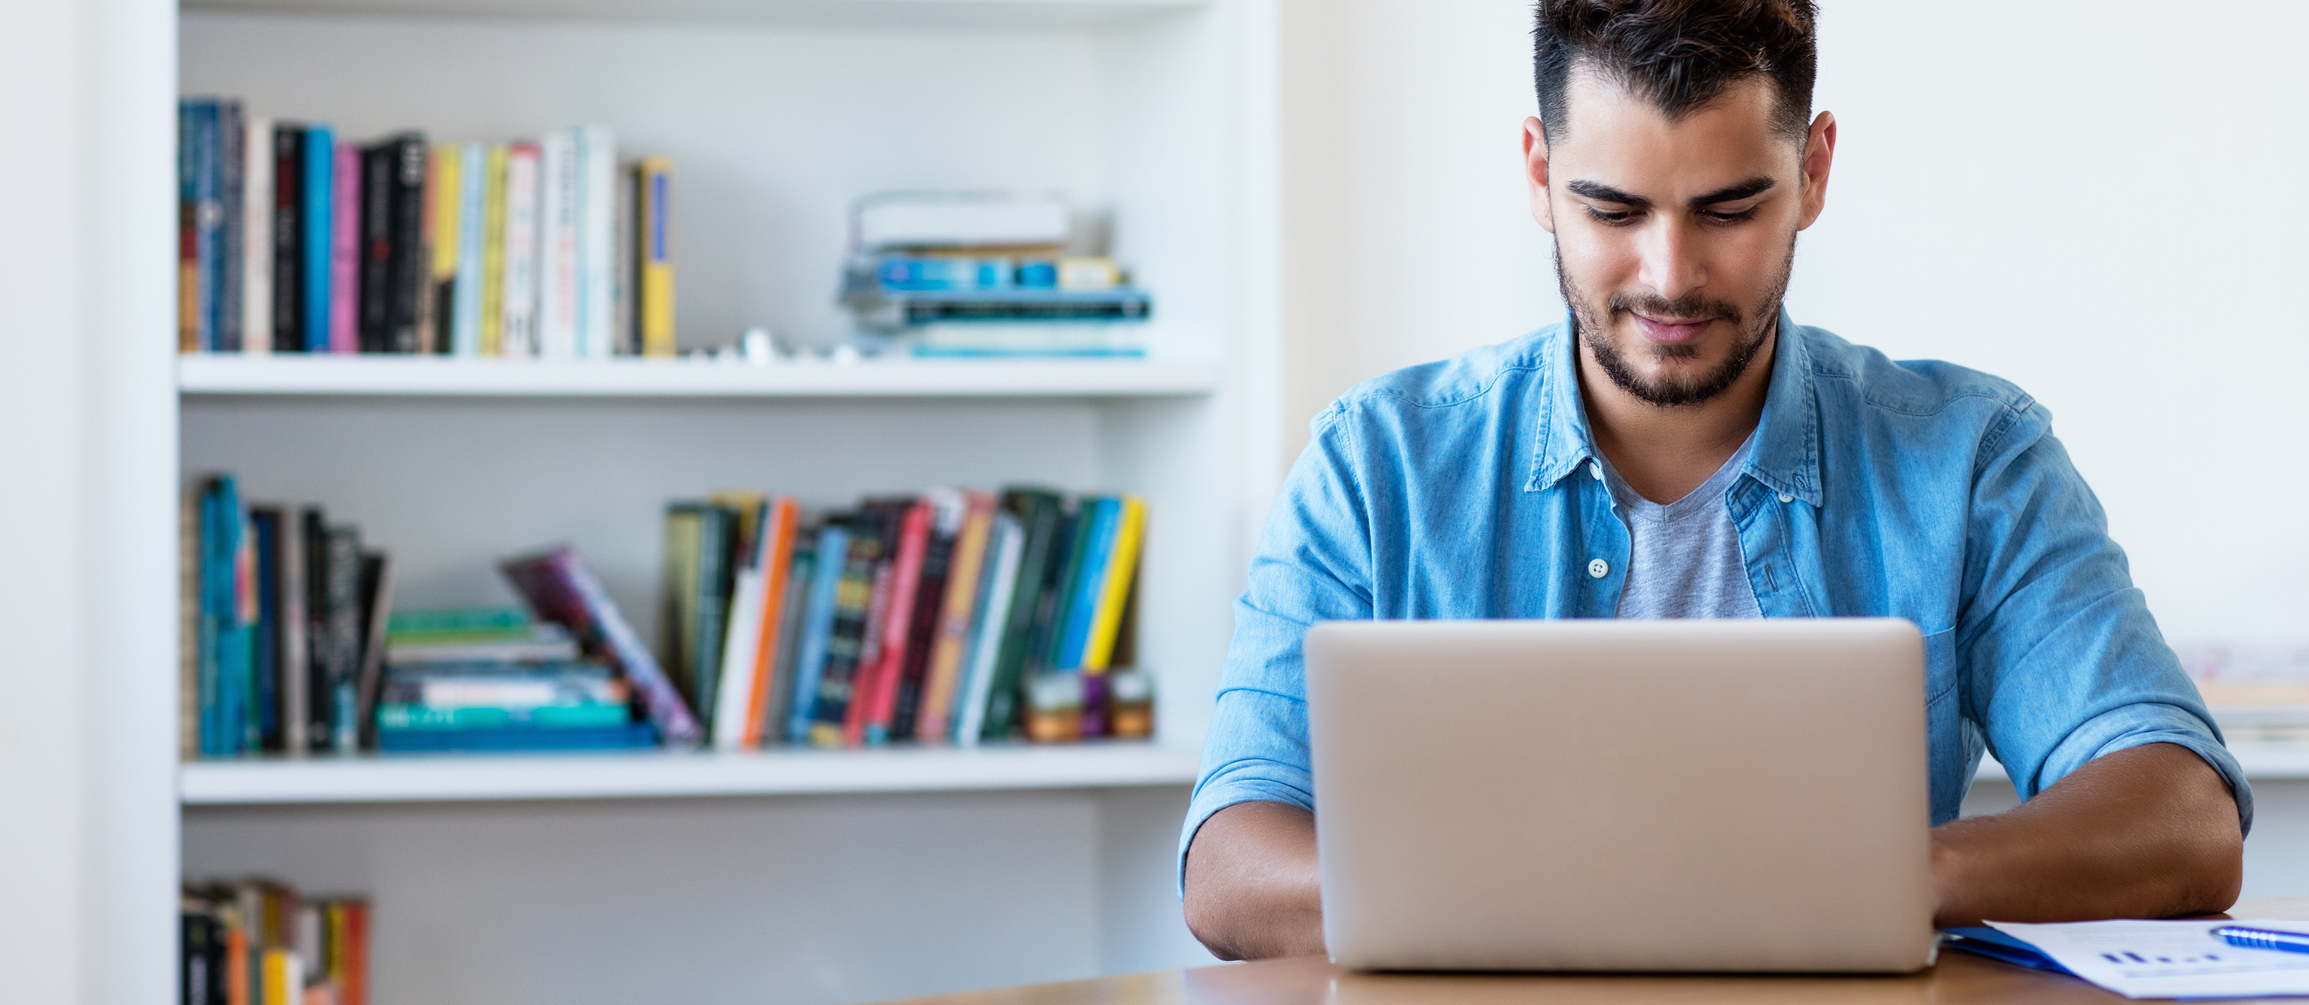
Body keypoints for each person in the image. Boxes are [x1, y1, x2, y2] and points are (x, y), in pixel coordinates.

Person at [1180, 0, 2249, 962]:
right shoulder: (1375, 466)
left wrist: (1884, 877)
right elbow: (1227, 868)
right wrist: (1550, 897)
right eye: (1612, 211)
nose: (1669, 276)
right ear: (1538, 173)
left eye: (1728, 210)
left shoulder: (1971, 459)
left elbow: (2183, 820)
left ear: (1812, 170)